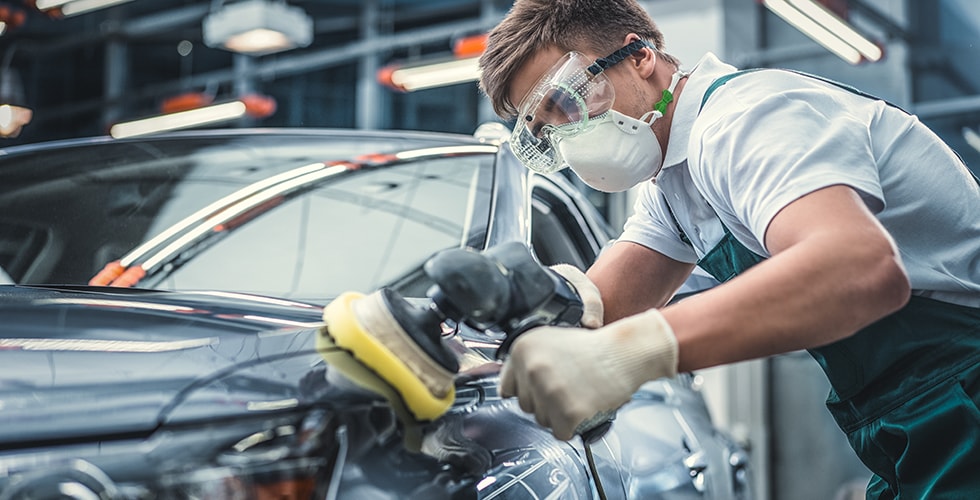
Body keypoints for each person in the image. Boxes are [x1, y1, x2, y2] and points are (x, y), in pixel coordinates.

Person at [477, 0, 980, 498]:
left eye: (566, 102)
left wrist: (627, 356)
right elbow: (596, 307)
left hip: (965, 383)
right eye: (548, 130)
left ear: (638, 57)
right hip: (910, 414)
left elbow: (858, 271)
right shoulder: (673, 186)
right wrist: (450, 341)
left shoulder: (746, 118)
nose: (568, 138)